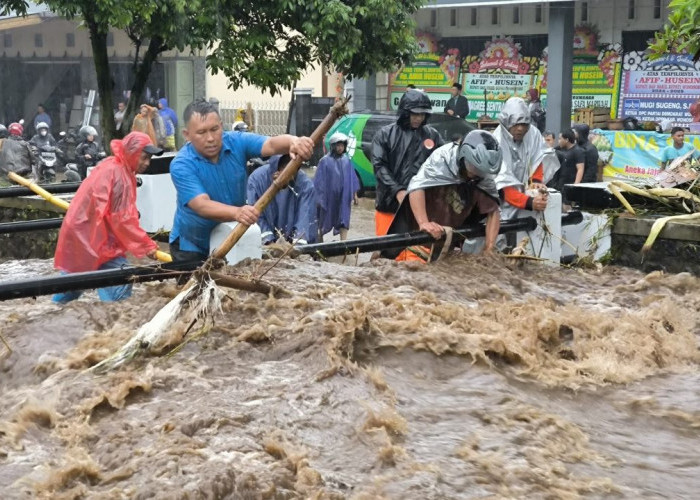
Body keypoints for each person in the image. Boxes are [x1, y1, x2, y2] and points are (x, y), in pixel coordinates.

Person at [169, 99, 314, 262]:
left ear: (221, 126)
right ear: (187, 135)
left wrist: (294, 142)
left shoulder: (236, 141)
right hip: (191, 244)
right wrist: (237, 212)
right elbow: (201, 205)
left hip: (230, 236)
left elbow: (271, 144)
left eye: (214, 129)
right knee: (195, 287)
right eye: (201, 132)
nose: (210, 138)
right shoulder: (181, 164)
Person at [52, 132, 163, 303]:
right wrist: (146, 245)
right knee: (121, 283)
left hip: (83, 232)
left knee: (73, 283)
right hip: (95, 238)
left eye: (149, 159)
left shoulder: (112, 165)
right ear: (132, 153)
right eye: (144, 157)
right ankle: (114, 327)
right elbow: (123, 219)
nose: (147, 163)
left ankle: (49, 315)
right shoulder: (121, 176)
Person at [388, 130, 503, 260]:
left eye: (481, 172)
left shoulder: (483, 175)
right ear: (463, 157)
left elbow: (493, 210)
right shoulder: (442, 158)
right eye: (473, 168)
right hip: (416, 237)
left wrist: (489, 248)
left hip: (447, 240)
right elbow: (417, 186)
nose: (476, 174)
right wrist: (424, 223)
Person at [371, 89, 444, 236]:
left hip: (422, 210)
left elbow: (443, 164)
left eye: (422, 114)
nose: (418, 118)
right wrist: (397, 190)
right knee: (386, 252)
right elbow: (379, 167)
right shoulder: (385, 134)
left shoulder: (432, 135)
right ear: (405, 112)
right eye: (415, 114)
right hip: (389, 205)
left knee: (417, 254)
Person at [493, 97, 555, 221]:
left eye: (524, 124)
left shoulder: (532, 134)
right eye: (516, 124)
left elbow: (538, 157)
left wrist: (536, 181)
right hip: (501, 207)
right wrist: (529, 202)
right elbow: (502, 185)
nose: (520, 128)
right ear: (506, 123)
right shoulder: (497, 142)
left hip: (526, 202)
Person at [247, 154, 316, 245]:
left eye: (293, 167)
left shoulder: (305, 184)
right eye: (284, 166)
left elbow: (305, 215)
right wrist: (269, 241)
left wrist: (297, 244)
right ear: (276, 167)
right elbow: (255, 213)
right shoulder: (257, 179)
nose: (289, 173)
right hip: (264, 242)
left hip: (292, 241)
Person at [314, 132, 360, 242]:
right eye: (338, 145)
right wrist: (319, 199)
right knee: (324, 218)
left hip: (343, 198)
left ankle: (343, 244)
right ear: (333, 146)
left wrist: (355, 194)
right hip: (328, 197)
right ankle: (320, 239)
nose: (340, 148)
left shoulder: (347, 161)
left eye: (342, 145)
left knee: (344, 218)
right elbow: (318, 182)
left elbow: (351, 179)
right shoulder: (324, 161)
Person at [555, 129, 585, 208]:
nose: (558, 141)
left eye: (560, 139)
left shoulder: (577, 151)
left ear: (566, 140)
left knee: (567, 207)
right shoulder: (561, 150)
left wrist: (575, 185)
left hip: (570, 185)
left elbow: (580, 169)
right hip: (561, 185)